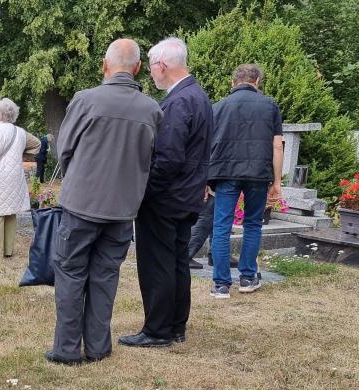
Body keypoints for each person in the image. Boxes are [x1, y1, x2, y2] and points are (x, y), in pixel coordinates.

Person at [47, 38, 163, 365]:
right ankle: (98, 347)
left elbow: (64, 150)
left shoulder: (85, 100)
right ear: (138, 68)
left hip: (82, 204)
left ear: (105, 65)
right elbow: (150, 158)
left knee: (71, 273)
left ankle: (67, 349)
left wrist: (79, 178)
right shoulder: (152, 109)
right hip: (123, 210)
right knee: (105, 276)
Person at [120, 37, 213, 349]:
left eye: (151, 67)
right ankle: (175, 326)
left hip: (166, 198)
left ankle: (158, 330)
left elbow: (168, 158)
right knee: (176, 262)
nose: (150, 73)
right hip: (186, 195)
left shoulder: (178, 102)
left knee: (157, 263)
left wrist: (144, 192)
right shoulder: (197, 95)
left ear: (162, 65)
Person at [208, 64, 284, 298]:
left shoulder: (218, 107)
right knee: (252, 224)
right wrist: (277, 182)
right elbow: (277, 146)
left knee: (221, 226)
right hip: (258, 173)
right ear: (257, 82)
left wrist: (205, 179)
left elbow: (207, 145)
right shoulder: (270, 106)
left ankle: (221, 284)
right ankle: (248, 278)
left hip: (225, 172)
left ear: (233, 82)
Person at [0, 99, 43, 260]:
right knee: (10, 212)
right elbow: (37, 144)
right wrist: (21, 155)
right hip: (14, 178)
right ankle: (8, 250)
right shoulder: (20, 132)